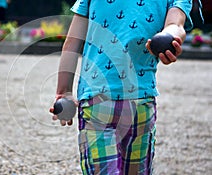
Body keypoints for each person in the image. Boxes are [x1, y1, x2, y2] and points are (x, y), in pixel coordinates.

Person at [50, 0, 195, 174]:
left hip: (96, 101)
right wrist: (169, 36)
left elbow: (72, 43)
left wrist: (63, 91)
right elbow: (175, 24)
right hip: (140, 101)